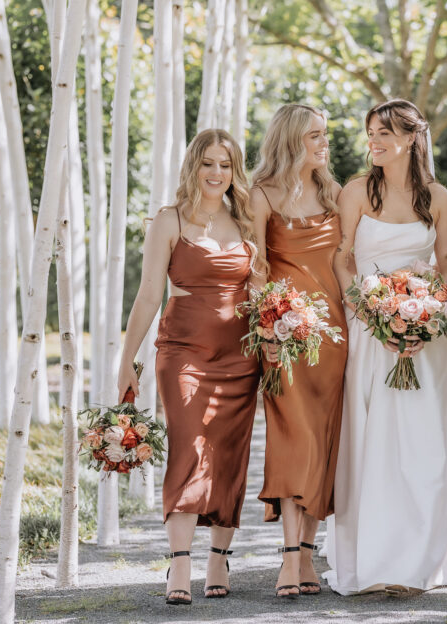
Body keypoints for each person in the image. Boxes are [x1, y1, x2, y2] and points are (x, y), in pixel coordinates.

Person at [323, 99, 447, 594]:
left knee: (426, 445)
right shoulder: (355, 192)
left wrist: (432, 314)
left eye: (383, 133)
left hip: (428, 339)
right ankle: (373, 559)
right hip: (371, 333)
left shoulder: (438, 197)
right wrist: (369, 311)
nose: (373, 141)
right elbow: (342, 258)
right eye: (370, 132)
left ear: (412, 138)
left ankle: (425, 558)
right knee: (372, 443)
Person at [116, 129, 261, 605]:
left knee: (228, 452)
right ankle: (179, 563)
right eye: (207, 163)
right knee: (189, 445)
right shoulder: (168, 221)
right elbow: (148, 295)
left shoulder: (246, 223)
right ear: (193, 167)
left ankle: (219, 557)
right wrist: (127, 360)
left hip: (241, 357)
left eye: (225, 164)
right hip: (182, 352)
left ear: (234, 171)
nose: (216, 173)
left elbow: (258, 292)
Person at [248, 104, 348, 598]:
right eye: (314, 135)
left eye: (325, 135)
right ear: (291, 140)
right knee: (293, 438)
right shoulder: (261, 194)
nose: (323, 143)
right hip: (284, 340)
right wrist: (266, 327)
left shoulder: (335, 193)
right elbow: (256, 270)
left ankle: (307, 556)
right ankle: (289, 556)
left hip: (335, 339)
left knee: (324, 442)